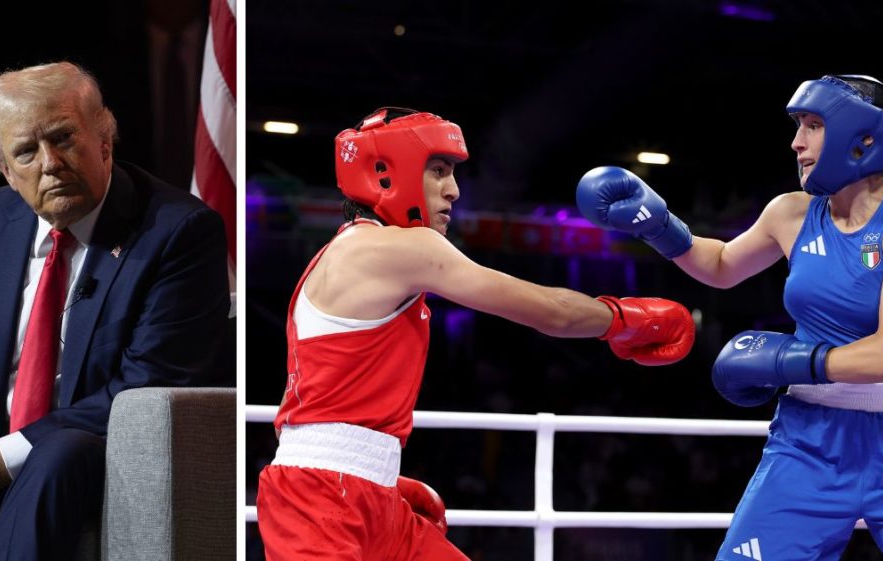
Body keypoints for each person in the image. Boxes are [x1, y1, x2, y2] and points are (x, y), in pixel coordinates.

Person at [255, 107, 697, 560]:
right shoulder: (401, 248)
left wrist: (375, 470)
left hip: (361, 492)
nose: (454, 190)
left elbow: (324, 399)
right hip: (319, 500)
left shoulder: (341, 253)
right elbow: (550, 312)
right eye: (439, 171)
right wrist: (622, 319)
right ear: (387, 172)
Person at [577, 74, 883, 559]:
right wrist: (660, 225)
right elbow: (720, 266)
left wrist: (785, 361)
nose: (797, 142)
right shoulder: (790, 213)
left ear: (861, 137)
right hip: (809, 441)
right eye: (799, 126)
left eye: (814, 125)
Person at [0, 62, 230, 560]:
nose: (49, 163)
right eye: (26, 151)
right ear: (5, 169)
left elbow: (143, 385)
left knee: (58, 455)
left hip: (87, 458)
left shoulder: (178, 232)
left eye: (64, 138)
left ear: (105, 139)